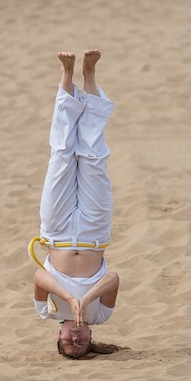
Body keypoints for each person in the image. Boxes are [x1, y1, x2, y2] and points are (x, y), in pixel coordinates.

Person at [30, 50, 122, 359]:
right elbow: (112, 279)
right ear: (91, 336)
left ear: (60, 334)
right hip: (94, 232)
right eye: (81, 343)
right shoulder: (100, 316)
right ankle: (90, 75)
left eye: (69, 341)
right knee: (93, 157)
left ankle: (66, 77)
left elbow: (40, 277)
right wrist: (87, 300)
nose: (76, 338)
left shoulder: (49, 311)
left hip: (56, 230)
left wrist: (69, 297)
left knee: (61, 157)